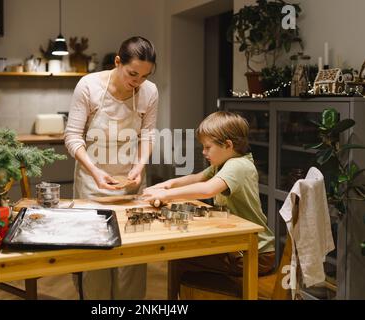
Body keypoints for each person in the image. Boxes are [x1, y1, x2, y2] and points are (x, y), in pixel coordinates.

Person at [142, 111, 275, 299]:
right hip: (241, 247)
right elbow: (197, 178)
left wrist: (167, 195)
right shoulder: (224, 162)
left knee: (180, 257)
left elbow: (207, 189)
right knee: (182, 255)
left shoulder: (238, 166)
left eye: (207, 147)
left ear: (228, 145)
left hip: (253, 253)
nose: (204, 152)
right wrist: (166, 184)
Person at [65, 36, 158, 300]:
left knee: (132, 261)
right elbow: (72, 136)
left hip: (131, 186)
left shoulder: (149, 92)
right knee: (95, 262)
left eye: (144, 76)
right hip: (92, 185)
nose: (137, 82)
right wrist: (95, 171)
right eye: (132, 73)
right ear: (118, 62)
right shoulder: (89, 86)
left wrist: (139, 167)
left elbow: (148, 135)